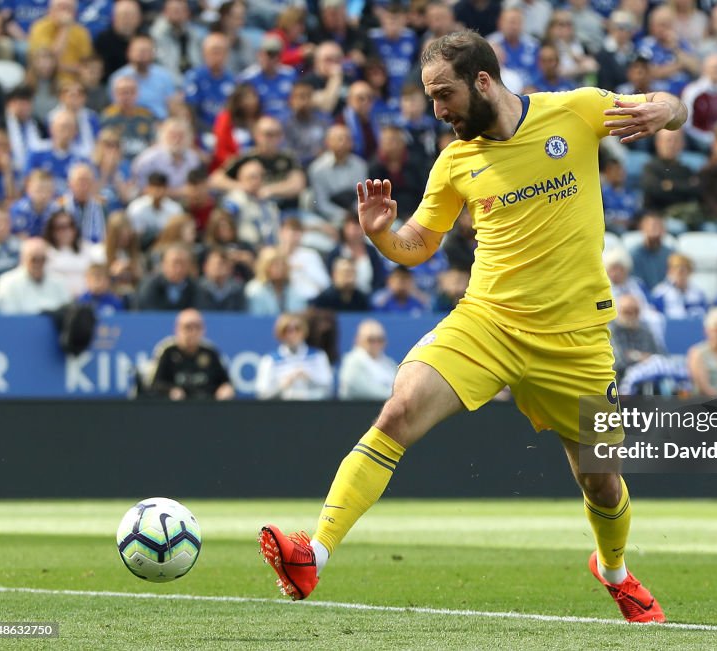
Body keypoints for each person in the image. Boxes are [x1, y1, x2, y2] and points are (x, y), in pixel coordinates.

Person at [258, 31, 687, 624]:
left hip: (575, 339)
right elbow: (418, 245)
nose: (438, 110)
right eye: (431, 98)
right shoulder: (455, 162)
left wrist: (667, 107)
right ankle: (315, 554)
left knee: (602, 482)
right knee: (399, 410)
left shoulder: (577, 110)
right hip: (488, 322)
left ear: (483, 81)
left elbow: (671, 105)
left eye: (444, 95)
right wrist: (381, 234)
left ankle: (614, 572)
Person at [147, 308, 235, 400]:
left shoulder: (210, 352)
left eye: (197, 327)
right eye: (188, 327)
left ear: (203, 330)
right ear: (177, 329)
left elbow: (226, 383)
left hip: (206, 409)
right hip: (174, 409)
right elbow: (154, 384)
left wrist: (225, 389)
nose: (193, 332)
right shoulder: (167, 352)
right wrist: (170, 391)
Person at [255, 312, 334, 400]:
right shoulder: (270, 360)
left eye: (297, 329)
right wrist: (282, 386)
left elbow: (328, 388)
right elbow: (262, 394)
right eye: (286, 330)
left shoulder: (318, 356)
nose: (292, 334)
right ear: (280, 333)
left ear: (304, 331)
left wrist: (309, 378)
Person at [0, 237, 72, 314]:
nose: (38, 263)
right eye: (34, 259)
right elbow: (8, 317)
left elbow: (68, 313)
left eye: (42, 259)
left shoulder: (59, 282)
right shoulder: (7, 282)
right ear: (23, 259)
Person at [135, 243, 196, 311]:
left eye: (183, 263)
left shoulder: (196, 288)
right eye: (175, 263)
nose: (179, 268)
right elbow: (146, 312)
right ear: (164, 264)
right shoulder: (149, 286)